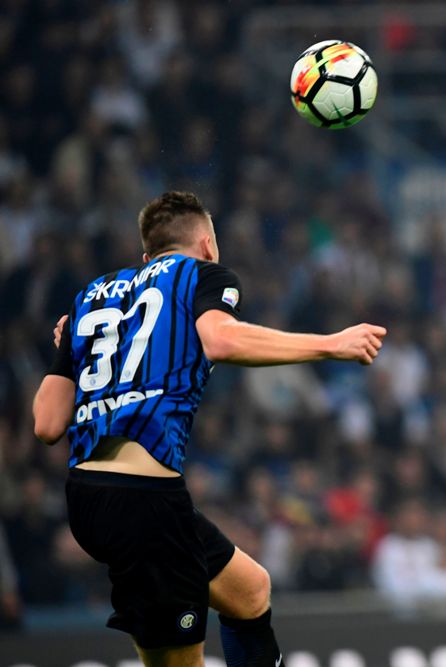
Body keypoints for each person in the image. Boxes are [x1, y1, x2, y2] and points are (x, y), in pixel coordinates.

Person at [32, 191, 387, 667]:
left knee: (250, 590)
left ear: (147, 256)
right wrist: (331, 344)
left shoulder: (91, 298)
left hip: (88, 498)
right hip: (144, 503)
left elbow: (47, 424)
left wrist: (69, 354)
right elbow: (221, 340)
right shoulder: (202, 274)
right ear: (206, 245)